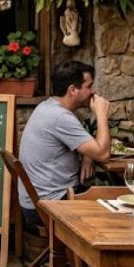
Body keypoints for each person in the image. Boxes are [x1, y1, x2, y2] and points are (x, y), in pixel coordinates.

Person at [18, 61, 111, 229]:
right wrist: (102, 114)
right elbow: (103, 154)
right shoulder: (60, 117)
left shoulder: (47, 106)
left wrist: (89, 155)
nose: (93, 91)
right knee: (115, 206)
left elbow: (93, 149)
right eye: (89, 86)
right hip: (50, 205)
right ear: (72, 90)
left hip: (38, 201)